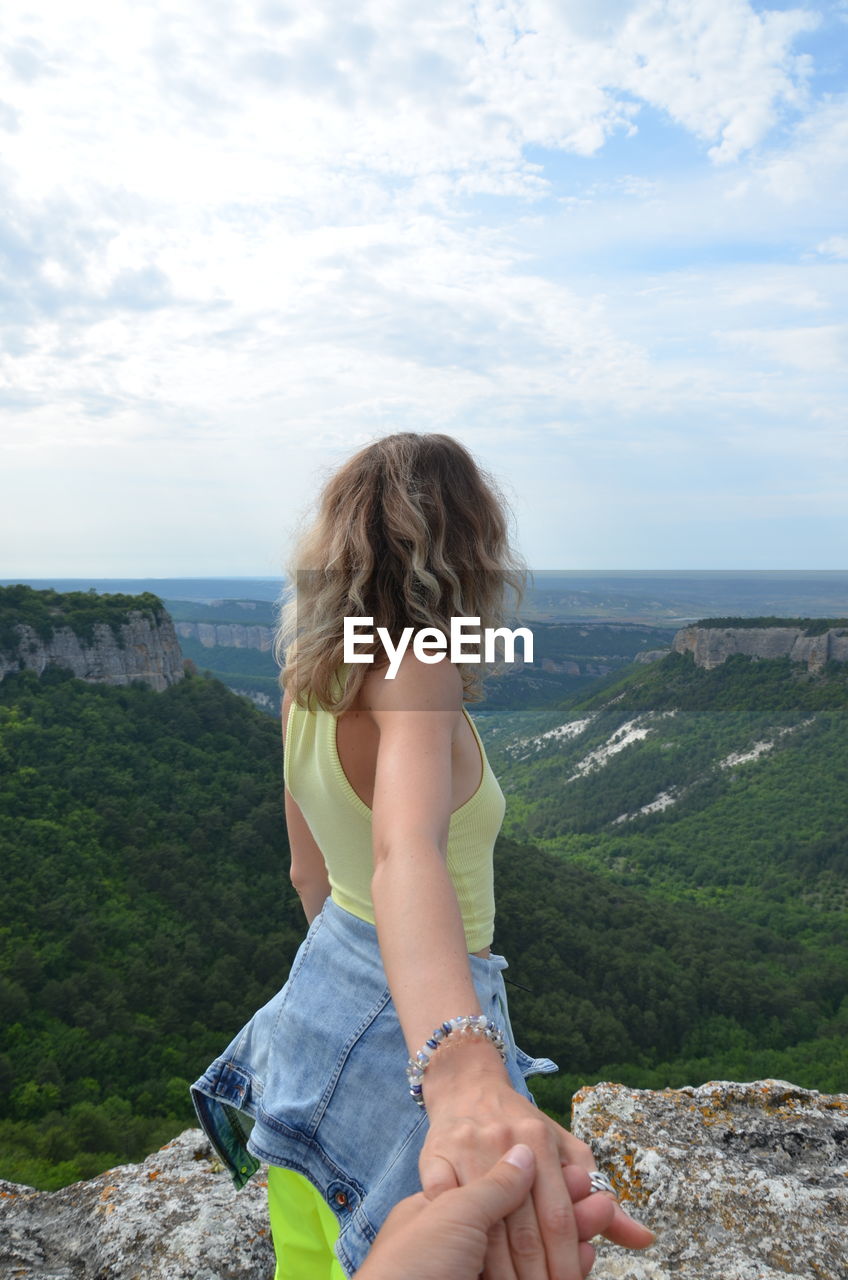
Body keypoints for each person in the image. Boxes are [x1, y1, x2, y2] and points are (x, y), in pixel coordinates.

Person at [191, 433, 654, 1278]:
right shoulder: (418, 663)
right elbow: (406, 848)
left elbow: (310, 874)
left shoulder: (304, 675)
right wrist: (461, 1064)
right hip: (423, 1015)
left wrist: (354, 985)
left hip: (316, 999)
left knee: (311, 1255)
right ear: (470, 547)